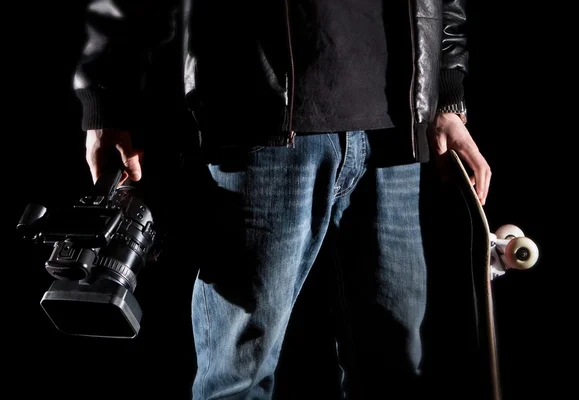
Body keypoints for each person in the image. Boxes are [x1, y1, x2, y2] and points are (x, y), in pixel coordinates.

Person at [75, 0, 491, 399]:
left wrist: (447, 95)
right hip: (260, 117)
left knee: (398, 372)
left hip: (396, 133)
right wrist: (104, 102)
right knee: (237, 377)